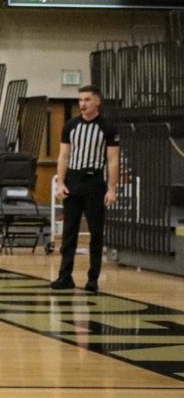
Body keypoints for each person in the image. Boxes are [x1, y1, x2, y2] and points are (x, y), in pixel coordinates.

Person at [50, 85, 120, 294]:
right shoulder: (71, 125)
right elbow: (63, 156)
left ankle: (93, 278)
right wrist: (61, 182)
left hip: (94, 182)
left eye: (87, 99)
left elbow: (113, 160)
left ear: (97, 101)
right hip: (73, 181)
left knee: (96, 232)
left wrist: (112, 189)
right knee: (69, 231)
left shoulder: (107, 127)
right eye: (80, 100)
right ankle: (65, 276)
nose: (82, 104)